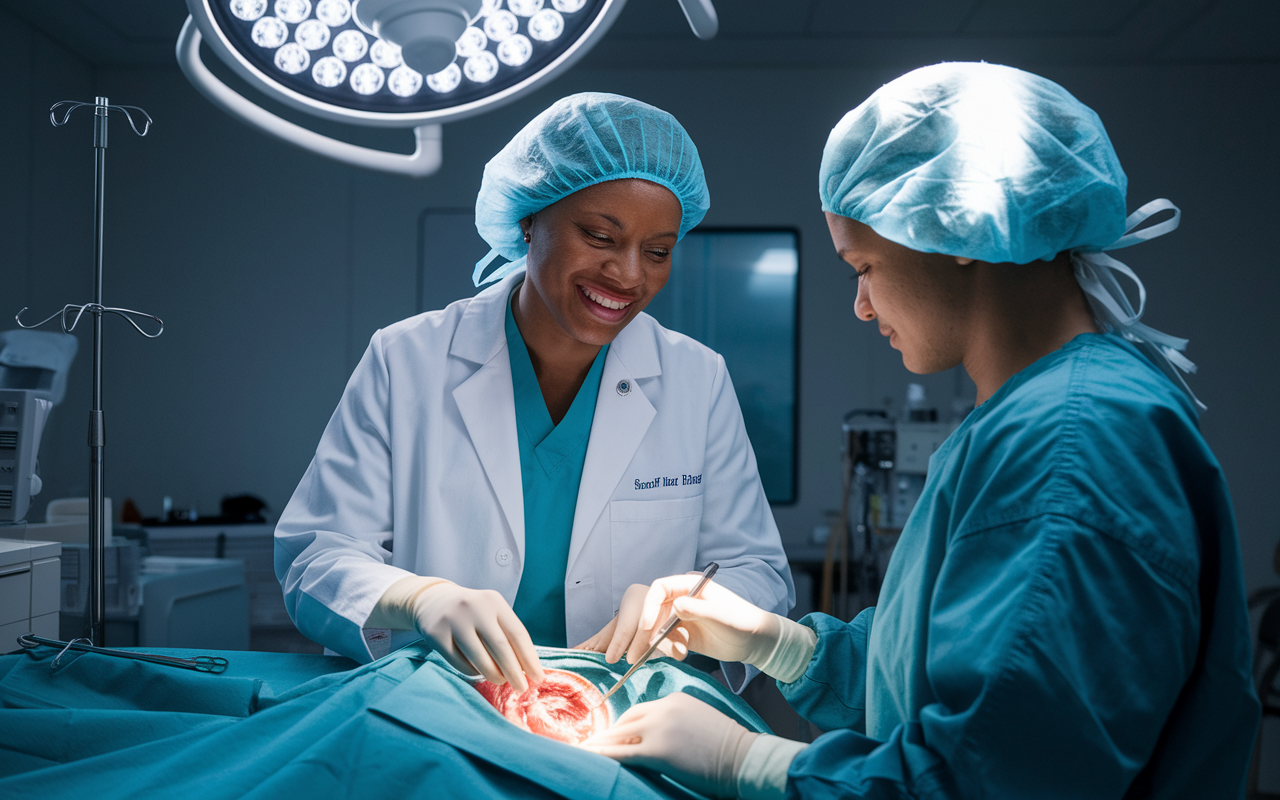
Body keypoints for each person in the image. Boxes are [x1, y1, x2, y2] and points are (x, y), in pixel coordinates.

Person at [582, 63, 1259, 799]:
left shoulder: (1074, 444)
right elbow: (930, 671)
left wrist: (750, 761)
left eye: (863, 268)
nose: (863, 308)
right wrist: (781, 644)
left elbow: (993, 776)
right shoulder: (1032, 420)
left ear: (960, 226)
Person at [274, 92, 794, 695]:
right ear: (528, 220)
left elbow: (759, 573)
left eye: (657, 252)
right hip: (439, 707)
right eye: (600, 236)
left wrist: (689, 612)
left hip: (623, 715)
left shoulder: (695, 380)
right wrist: (418, 599)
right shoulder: (406, 359)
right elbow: (316, 557)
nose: (628, 275)